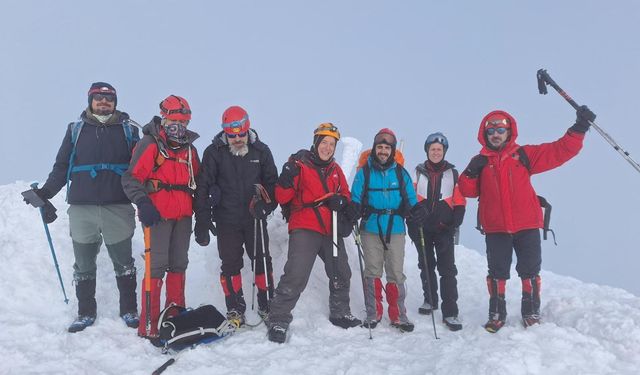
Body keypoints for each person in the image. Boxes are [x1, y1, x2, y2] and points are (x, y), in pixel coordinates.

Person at [458, 107, 595, 333]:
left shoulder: (523, 155)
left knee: (530, 270)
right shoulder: (480, 161)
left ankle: (531, 312)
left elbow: (559, 151)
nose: (496, 134)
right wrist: (471, 172)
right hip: (496, 227)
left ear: (509, 131)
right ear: (485, 134)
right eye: (491, 130)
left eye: (500, 129)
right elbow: (467, 190)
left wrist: (579, 128)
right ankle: (496, 314)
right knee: (497, 272)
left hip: (527, 224)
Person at [30, 82, 140, 332]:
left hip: (118, 206)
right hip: (82, 208)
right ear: (90, 100)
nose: (104, 102)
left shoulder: (130, 131)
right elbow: (61, 167)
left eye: (109, 98)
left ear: (115, 102)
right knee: (83, 263)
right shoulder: (76, 130)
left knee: (124, 261)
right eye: (99, 98)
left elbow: (142, 168)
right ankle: (85, 313)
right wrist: (46, 194)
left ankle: (130, 310)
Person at [267, 123, 362, 343]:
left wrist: (346, 204)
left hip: (331, 228)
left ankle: (340, 312)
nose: (328, 148)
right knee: (296, 273)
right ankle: (278, 319)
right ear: (316, 142)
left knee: (341, 271)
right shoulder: (299, 164)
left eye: (332, 144)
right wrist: (286, 178)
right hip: (305, 226)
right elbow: (282, 197)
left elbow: (345, 195)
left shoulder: (336, 170)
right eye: (324, 142)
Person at [121, 95, 200, 339]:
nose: (178, 128)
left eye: (183, 123)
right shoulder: (151, 144)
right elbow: (131, 178)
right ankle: (150, 324)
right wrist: (143, 202)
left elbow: (197, 181)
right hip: (157, 216)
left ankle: (174, 317)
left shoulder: (189, 150)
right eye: (174, 121)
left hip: (184, 217)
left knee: (179, 264)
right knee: (156, 267)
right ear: (164, 119)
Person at [193, 106, 278, 326]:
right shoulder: (214, 152)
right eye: (232, 135)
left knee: (262, 261)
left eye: (241, 133)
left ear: (247, 129)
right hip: (226, 219)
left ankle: (267, 304)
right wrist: (202, 220)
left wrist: (266, 206)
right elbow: (203, 187)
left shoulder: (261, 151)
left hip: (254, 218)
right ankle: (234, 308)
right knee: (230, 264)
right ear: (225, 133)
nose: (237, 138)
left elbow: (273, 184)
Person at [351, 128, 419, 332]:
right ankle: (374, 313)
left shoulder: (400, 173)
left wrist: (417, 210)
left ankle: (398, 314)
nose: (382, 151)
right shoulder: (364, 172)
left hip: (396, 227)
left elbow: (411, 199)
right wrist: (353, 208)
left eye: (386, 148)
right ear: (374, 148)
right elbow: (355, 196)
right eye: (379, 147)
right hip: (370, 227)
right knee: (372, 271)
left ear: (392, 150)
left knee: (396, 272)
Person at [407, 132, 466, 331]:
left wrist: (453, 226)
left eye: (439, 149)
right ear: (427, 151)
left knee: (447, 270)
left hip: (444, 229)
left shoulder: (453, 174)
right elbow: (410, 198)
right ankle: (430, 300)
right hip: (423, 228)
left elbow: (460, 202)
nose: (436, 152)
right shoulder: (417, 172)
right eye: (432, 149)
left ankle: (450, 312)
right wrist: (413, 224)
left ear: (444, 152)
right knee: (426, 264)